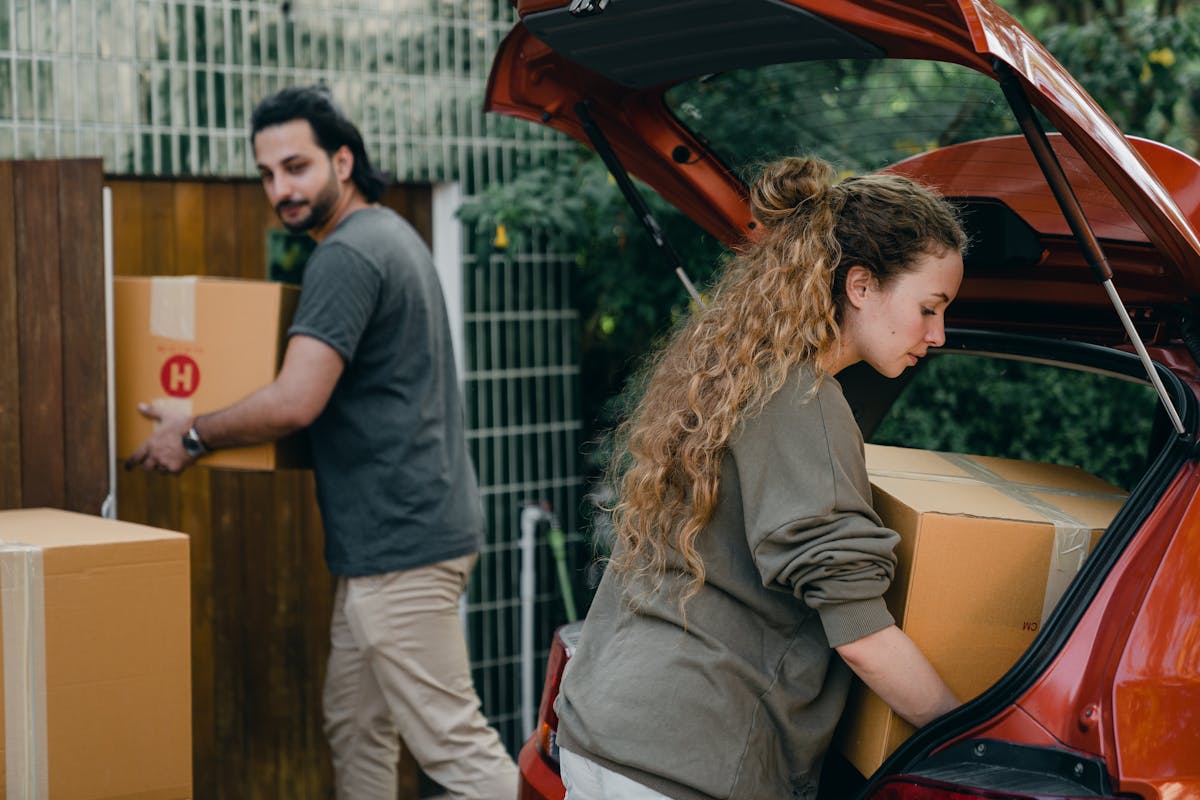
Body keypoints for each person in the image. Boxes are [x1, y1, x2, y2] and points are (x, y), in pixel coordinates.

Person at [125, 85, 518, 800]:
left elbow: (294, 401)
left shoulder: (348, 255)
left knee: (458, 752)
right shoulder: (391, 235)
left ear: (343, 160)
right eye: (267, 174)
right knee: (355, 724)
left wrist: (192, 432)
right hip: (397, 541)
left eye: (296, 167)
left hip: (401, 549)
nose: (281, 189)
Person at [554, 155, 966, 800]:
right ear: (861, 287)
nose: (938, 334)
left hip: (598, 736)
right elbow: (862, 638)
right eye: (930, 308)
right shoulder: (804, 403)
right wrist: (973, 737)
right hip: (687, 763)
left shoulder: (732, 377)